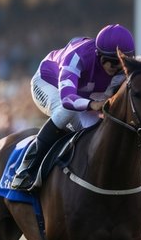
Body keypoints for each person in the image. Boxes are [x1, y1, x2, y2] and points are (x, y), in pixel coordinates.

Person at [9, 24, 133, 191]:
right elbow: (67, 99)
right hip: (49, 84)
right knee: (65, 110)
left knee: (97, 133)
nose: (119, 70)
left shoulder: (120, 68)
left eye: (122, 65)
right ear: (100, 56)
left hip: (83, 96)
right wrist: (92, 104)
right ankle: (26, 168)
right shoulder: (78, 57)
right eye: (114, 64)